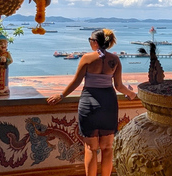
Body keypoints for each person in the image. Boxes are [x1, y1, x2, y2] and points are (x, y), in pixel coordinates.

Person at [47, 29, 136, 176]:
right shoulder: (115, 59)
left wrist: (61, 95)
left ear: (95, 42)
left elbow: (76, 82)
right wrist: (132, 94)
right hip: (108, 104)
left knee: (90, 148)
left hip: (89, 103)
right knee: (107, 148)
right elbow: (119, 86)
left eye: (90, 40)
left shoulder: (86, 58)